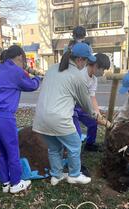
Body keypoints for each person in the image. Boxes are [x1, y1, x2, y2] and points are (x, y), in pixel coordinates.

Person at [33, 42, 109, 186]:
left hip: (40, 118)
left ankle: (56, 176)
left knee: (54, 148)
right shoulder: (77, 76)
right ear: (80, 59)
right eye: (86, 61)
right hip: (58, 118)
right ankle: (74, 175)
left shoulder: (52, 68)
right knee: (75, 144)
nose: (86, 64)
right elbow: (86, 104)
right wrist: (96, 116)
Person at [0, 45, 40, 194]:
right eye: (24, 62)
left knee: (0, 150)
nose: (24, 66)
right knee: (12, 150)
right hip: (5, 116)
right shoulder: (15, 71)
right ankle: (16, 183)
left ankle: (5, 182)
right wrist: (38, 78)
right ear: (19, 58)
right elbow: (31, 85)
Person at [73, 53, 110, 152]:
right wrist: (94, 113)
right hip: (71, 106)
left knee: (93, 122)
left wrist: (98, 114)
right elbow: (84, 100)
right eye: (103, 69)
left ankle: (89, 144)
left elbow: (92, 97)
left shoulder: (94, 79)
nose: (103, 73)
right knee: (77, 134)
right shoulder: (81, 75)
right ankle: (74, 162)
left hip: (82, 106)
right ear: (96, 66)